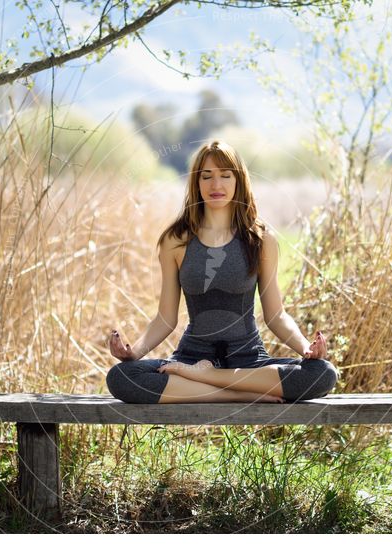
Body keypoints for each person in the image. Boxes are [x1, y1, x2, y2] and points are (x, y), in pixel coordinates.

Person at [106, 139, 339, 404]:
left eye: (225, 176)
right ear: (196, 183)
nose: (216, 185)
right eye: (207, 177)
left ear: (238, 181)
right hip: (191, 359)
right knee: (121, 377)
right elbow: (165, 318)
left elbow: (275, 315)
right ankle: (239, 394)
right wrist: (133, 352)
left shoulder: (260, 239)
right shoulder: (176, 240)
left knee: (322, 373)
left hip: (248, 361)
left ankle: (208, 379)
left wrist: (305, 347)